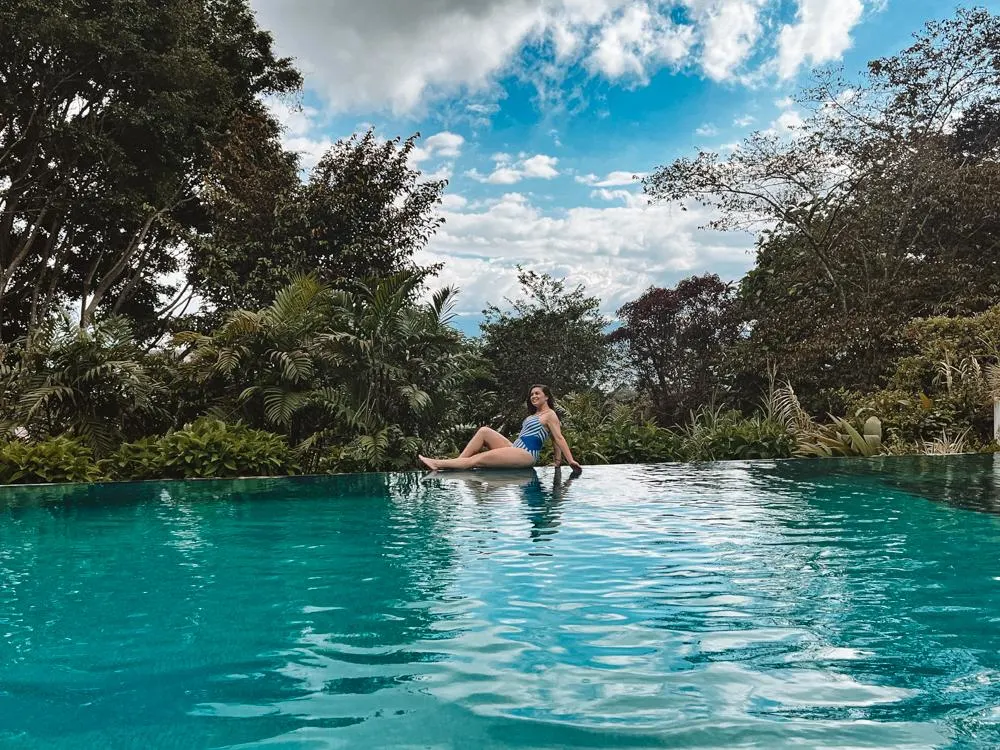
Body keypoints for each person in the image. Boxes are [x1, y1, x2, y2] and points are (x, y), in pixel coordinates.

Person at [418, 384, 583, 473]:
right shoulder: (534, 415)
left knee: (478, 459)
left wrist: (567, 461)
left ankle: (438, 463)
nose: (533, 396)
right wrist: (557, 462)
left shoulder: (550, 415)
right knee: (484, 431)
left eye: (537, 393)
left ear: (546, 396)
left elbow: (558, 439)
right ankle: (459, 463)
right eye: (531, 394)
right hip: (516, 448)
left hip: (526, 454)